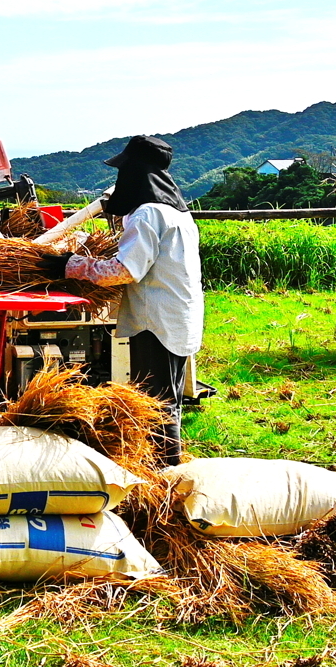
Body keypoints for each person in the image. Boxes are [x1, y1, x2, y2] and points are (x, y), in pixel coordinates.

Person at [38, 135, 203, 466]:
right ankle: (163, 466)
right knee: (166, 397)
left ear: (136, 174)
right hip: (175, 315)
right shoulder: (177, 213)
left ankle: (164, 473)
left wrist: (70, 264)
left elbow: (125, 270)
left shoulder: (147, 214)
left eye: (123, 173)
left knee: (156, 400)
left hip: (156, 320)